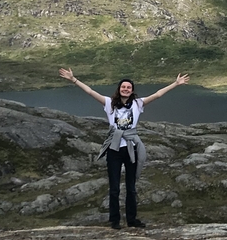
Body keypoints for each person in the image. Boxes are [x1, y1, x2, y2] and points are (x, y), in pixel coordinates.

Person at [58, 68, 189, 229]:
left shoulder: (137, 104)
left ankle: (132, 220)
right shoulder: (109, 103)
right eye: (123, 87)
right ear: (119, 89)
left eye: (128, 87)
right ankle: (114, 221)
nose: (125, 89)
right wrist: (73, 80)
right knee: (114, 188)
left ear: (132, 90)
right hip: (114, 150)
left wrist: (175, 84)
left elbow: (157, 94)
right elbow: (91, 92)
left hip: (131, 149)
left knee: (131, 188)